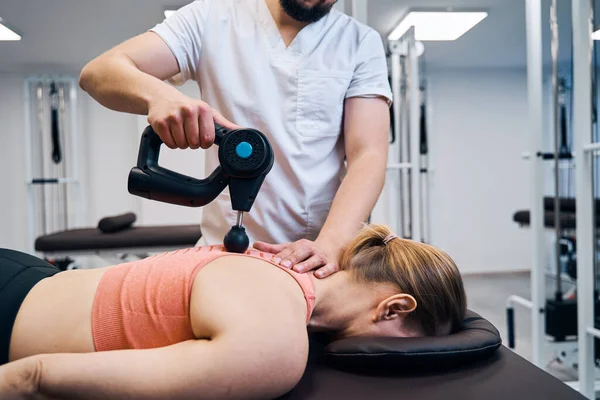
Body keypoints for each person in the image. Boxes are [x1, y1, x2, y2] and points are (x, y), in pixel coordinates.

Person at [78, 0, 393, 280]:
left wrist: (331, 244)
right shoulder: (209, 18)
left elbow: (368, 155)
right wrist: (160, 97)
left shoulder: (359, 42)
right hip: (228, 259)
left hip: (321, 265)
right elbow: (99, 72)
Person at [0, 224, 466, 400]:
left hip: (23, 275)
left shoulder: (277, 263)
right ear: (395, 308)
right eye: (416, 341)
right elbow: (33, 378)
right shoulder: (274, 343)